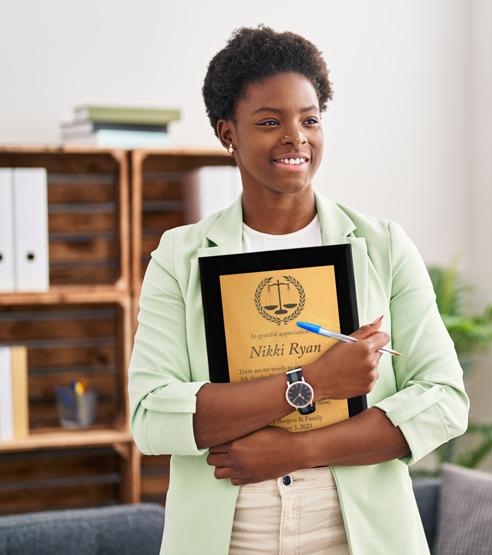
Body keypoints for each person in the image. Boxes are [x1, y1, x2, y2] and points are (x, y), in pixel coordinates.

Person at [128, 25, 469, 555]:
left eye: (309, 119)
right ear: (228, 134)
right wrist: (310, 381)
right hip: (229, 539)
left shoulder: (381, 246)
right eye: (270, 122)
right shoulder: (180, 257)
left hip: (359, 539)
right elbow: (152, 417)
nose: (296, 137)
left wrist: (295, 450)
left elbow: (444, 400)